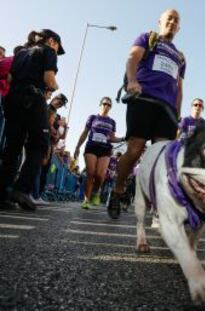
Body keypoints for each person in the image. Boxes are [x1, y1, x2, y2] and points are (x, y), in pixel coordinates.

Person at [107, 8, 185, 219]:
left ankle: (159, 206)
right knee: (134, 150)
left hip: (166, 109)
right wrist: (132, 81)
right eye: (169, 18)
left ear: (179, 26)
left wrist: (177, 114)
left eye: (176, 20)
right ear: (160, 21)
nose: (172, 22)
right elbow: (132, 58)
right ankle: (118, 190)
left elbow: (179, 87)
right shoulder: (148, 38)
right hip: (143, 100)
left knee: (162, 158)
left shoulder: (180, 56)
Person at [0, 29, 64, 210]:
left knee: (12, 147)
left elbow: (10, 78)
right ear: (52, 41)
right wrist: (54, 86)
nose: (56, 50)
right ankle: (22, 189)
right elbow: (49, 80)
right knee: (40, 145)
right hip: (33, 99)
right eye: (57, 47)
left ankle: (2, 194)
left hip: (13, 99)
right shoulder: (48, 51)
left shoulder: (20, 53)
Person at [74, 97, 123, 209]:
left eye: (109, 105)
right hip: (91, 147)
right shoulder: (93, 117)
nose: (107, 106)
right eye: (105, 104)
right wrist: (77, 147)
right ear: (100, 104)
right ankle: (86, 199)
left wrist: (123, 139)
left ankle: (96, 192)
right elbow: (85, 132)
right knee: (91, 172)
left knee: (100, 175)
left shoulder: (112, 122)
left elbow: (112, 138)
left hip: (105, 148)